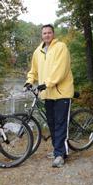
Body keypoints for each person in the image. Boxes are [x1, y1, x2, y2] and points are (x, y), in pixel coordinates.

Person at [24, 24, 74, 168]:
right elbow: (33, 70)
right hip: (47, 94)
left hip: (61, 92)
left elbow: (61, 69)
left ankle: (60, 155)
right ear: (42, 35)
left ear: (53, 34)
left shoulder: (61, 48)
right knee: (51, 123)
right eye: (44, 33)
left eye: (49, 32)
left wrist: (47, 83)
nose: (47, 35)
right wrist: (29, 81)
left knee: (60, 123)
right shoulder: (38, 52)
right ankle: (57, 149)